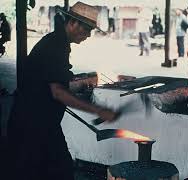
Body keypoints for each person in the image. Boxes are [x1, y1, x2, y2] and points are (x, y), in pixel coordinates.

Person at [7, 2, 120, 180]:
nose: (88, 35)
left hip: (41, 122)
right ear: (72, 23)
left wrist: (86, 81)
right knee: (52, 171)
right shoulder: (55, 46)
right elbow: (58, 92)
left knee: (56, 170)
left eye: (91, 30)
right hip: (32, 125)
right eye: (86, 29)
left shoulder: (57, 42)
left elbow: (55, 80)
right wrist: (98, 110)